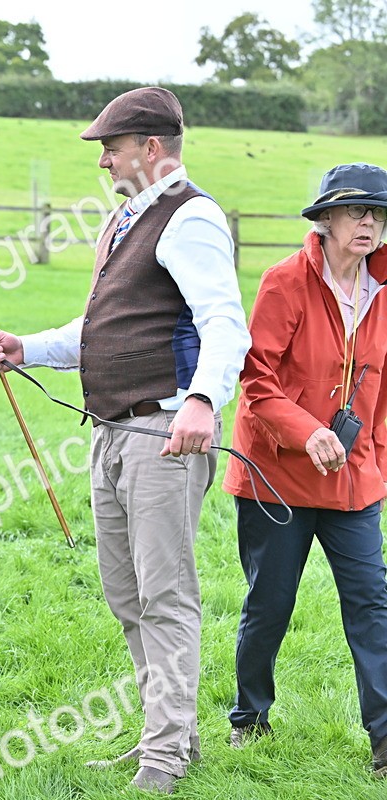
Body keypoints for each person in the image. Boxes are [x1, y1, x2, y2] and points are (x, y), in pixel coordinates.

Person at [0, 87, 250, 794]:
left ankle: (163, 760)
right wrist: (25, 347)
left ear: (151, 148)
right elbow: (99, 330)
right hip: (113, 431)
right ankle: (171, 738)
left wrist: (200, 402)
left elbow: (225, 323)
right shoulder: (130, 220)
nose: (103, 160)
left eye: (112, 147)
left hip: (163, 431)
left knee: (165, 596)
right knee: (127, 596)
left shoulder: (190, 218)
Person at [221, 162, 387, 778]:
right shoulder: (284, 282)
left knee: (373, 603)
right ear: (325, 218)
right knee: (271, 602)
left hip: (355, 481)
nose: (369, 222)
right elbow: (256, 383)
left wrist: (375, 465)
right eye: (356, 210)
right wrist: (310, 432)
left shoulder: (386, 290)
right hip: (277, 478)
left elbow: (383, 390)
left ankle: (385, 738)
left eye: (378, 213)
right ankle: (250, 717)